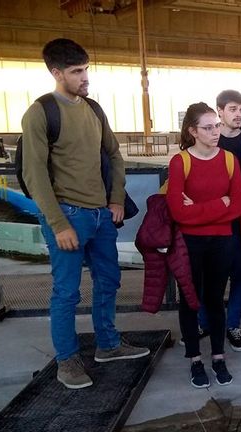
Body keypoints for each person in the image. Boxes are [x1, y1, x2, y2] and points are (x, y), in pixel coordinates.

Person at [21, 38, 149, 390]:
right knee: (66, 292)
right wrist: (58, 223)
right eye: (77, 72)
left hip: (101, 216)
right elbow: (34, 174)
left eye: (86, 70)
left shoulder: (93, 109)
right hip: (69, 215)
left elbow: (115, 155)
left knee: (109, 281)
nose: (85, 77)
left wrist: (117, 199)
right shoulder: (41, 112)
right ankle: (67, 360)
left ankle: (108, 345)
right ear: (56, 72)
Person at [166, 102, 241, 389]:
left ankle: (218, 356)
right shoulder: (180, 162)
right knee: (190, 299)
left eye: (217, 126)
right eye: (208, 128)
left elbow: (238, 206)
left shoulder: (228, 160)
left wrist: (199, 208)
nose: (215, 132)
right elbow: (177, 212)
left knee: (214, 299)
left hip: (221, 241)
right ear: (193, 131)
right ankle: (195, 358)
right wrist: (218, 205)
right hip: (190, 242)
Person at [195, 90, 241, 352]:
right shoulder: (208, 141)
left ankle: (233, 325)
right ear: (219, 111)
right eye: (232, 108)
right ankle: (206, 322)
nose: (238, 113)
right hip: (213, 219)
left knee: (240, 274)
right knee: (209, 274)